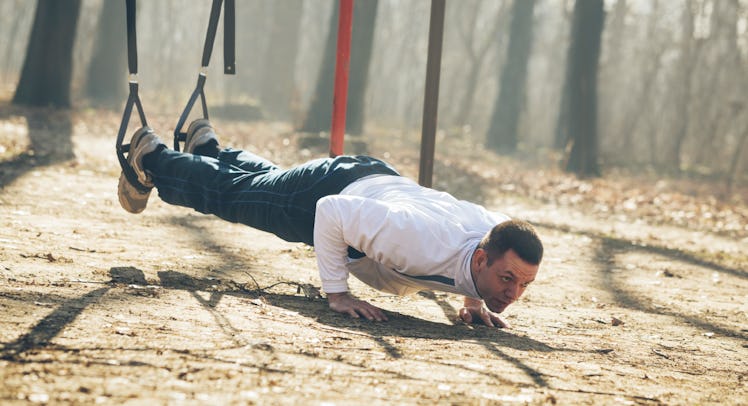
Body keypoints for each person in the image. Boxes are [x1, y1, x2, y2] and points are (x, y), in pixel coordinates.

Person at [117, 120, 544, 328]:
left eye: (523, 285)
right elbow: (332, 213)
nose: (514, 293)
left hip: (372, 183)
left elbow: (487, 241)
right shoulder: (419, 241)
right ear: (483, 259)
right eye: (508, 279)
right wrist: (337, 294)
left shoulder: (492, 237)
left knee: (260, 186)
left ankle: (208, 149)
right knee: (238, 198)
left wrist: (474, 301)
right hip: (330, 195)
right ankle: (152, 159)